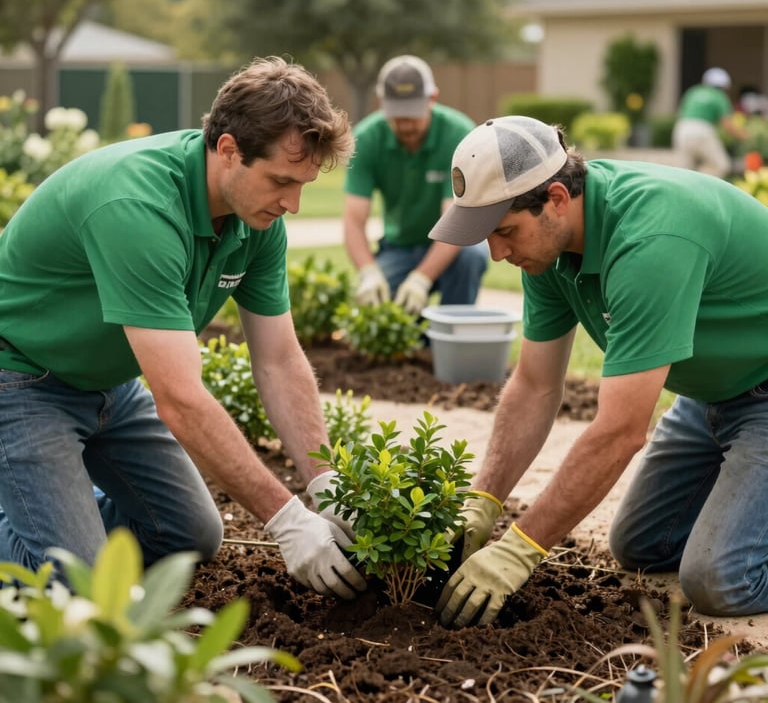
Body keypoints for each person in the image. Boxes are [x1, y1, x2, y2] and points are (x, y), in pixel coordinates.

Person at [0, 57, 367, 600]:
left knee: (189, 533)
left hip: (108, 385)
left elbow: (279, 359)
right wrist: (287, 519)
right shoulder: (137, 206)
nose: (293, 203)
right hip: (21, 378)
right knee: (80, 591)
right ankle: (61, 549)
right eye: (282, 181)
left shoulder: (255, 218)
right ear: (227, 150)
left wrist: (323, 480)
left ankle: (63, 533)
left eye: (304, 185)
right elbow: (179, 399)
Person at [428, 115, 768, 627]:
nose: (497, 253)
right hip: (709, 398)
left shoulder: (651, 241)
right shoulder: (548, 247)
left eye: (504, 232)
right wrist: (484, 499)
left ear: (558, 198)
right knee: (641, 546)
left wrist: (520, 549)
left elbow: (619, 432)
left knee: (721, 579)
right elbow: (534, 385)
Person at [343, 54, 488, 314]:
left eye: (412, 114)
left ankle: (452, 333)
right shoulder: (366, 139)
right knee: (377, 312)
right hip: (400, 247)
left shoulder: (459, 135)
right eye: (398, 116)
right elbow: (354, 219)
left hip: (454, 246)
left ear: (432, 98)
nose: (405, 124)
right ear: (383, 103)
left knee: (472, 256)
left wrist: (422, 277)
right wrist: (368, 272)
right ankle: (421, 337)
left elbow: (458, 223)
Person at [672, 66, 747, 177]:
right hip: (702, 131)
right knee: (721, 166)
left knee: (684, 170)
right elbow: (727, 125)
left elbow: (680, 112)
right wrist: (744, 135)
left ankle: (687, 188)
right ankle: (700, 186)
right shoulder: (719, 96)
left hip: (681, 129)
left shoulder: (693, 91)